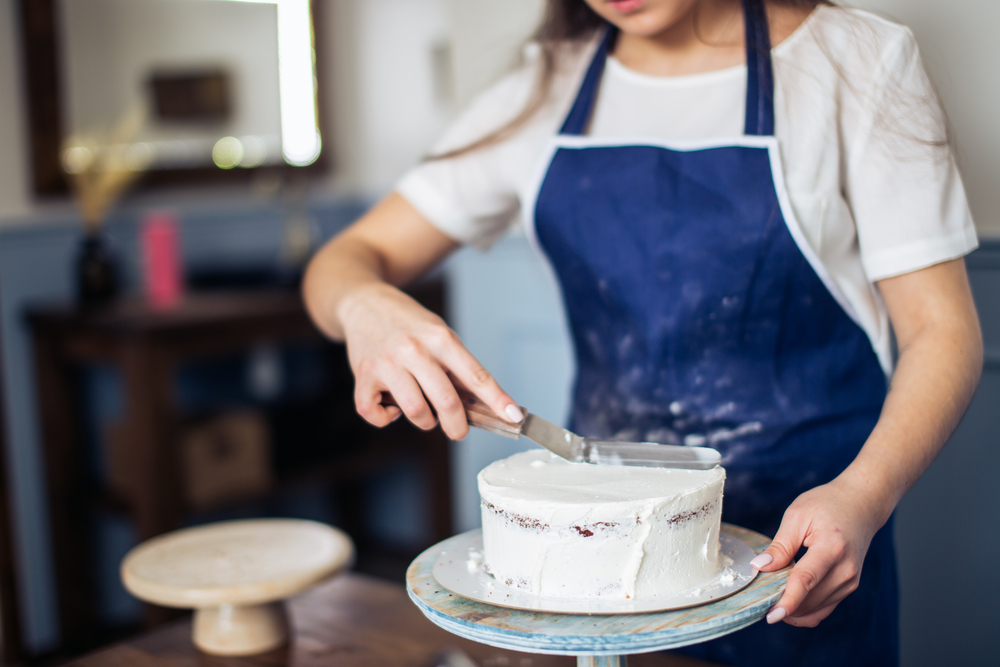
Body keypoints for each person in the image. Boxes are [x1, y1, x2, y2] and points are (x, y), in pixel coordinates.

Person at [303, 1, 982, 664]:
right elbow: (340, 263)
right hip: (600, 573)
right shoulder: (544, 91)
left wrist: (863, 495)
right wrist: (364, 304)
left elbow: (942, 329)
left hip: (804, 551)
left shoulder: (855, 61)